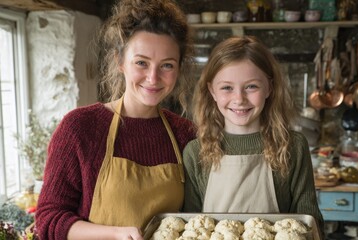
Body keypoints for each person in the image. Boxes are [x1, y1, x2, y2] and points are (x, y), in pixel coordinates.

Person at [35, 0, 196, 239]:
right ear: (120, 61)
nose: (153, 78)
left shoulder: (185, 133)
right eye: (141, 62)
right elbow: (48, 219)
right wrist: (114, 234)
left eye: (167, 65)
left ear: (179, 69)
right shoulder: (80, 128)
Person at [183, 36, 324, 234]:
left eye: (251, 86)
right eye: (227, 88)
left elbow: (310, 221)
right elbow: (191, 229)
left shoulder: (292, 145)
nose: (239, 99)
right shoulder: (195, 152)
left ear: (269, 87)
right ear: (212, 91)